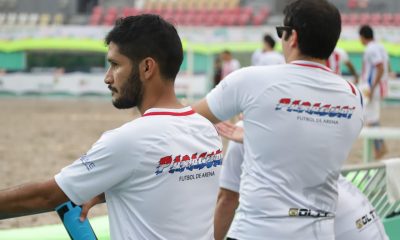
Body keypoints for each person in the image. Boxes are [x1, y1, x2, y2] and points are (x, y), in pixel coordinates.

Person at [0, 15, 223, 240]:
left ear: (147, 67)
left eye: (115, 65)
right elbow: (165, 180)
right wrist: (105, 190)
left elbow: (46, 197)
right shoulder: (206, 130)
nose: (108, 78)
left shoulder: (130, 139)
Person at [193, 0, 364, 239]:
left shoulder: (251, 80)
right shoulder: (354, 97)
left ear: (292, 37)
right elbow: (315, 138)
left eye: (281, 33)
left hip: (258, 231)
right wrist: (257, 133)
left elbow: (187, 117)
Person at [215, 122, 389, 240]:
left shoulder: (247, 129)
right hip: (362, 217)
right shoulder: (298, 125)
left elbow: (227, 200)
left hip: (343, 222)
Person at [359, 25, 390, 160]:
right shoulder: (380, 47)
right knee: (372, 117)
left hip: (372, 87)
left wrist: (371, 88)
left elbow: (380, 67)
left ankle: (379, 147)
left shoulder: (371, 49)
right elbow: (385, 66)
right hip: (378, 86)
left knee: (370, 118)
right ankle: (379, 147)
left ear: (362, 36)